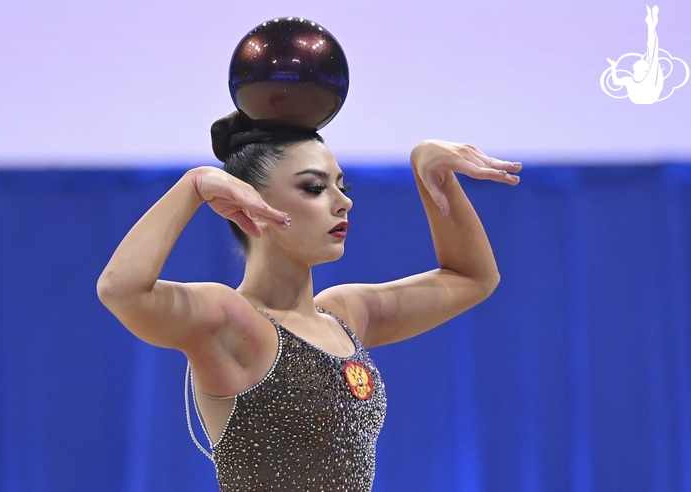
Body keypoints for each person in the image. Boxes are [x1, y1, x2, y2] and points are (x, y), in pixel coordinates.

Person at [96, 110, 521, 490]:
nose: (344, 202)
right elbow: (120, 289)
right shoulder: (230, 320)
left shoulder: (347, 315)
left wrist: (433, 171)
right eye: (315, 188)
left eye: (342, 185)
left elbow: (473, 278)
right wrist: (192, 187)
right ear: (250, 202)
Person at [607, 5, 663, 104]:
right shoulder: (632, 80)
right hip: (645, 97)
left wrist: (613, 68)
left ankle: (651, 23)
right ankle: (651, 23)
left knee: (652, 50)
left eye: (642, 61)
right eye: (643, 61)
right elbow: (616, 82)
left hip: (647, 97)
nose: (640, 59)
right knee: (652, 52)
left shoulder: (645, 77)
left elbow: (652, 49)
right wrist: (613, 67)